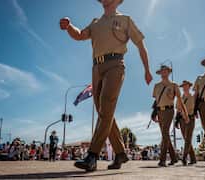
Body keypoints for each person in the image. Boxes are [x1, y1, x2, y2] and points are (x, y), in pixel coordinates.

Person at [60, 0, 152, 171]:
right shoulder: (96, 23)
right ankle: (120, 153)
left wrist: (147, 69)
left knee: (107, 105)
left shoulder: (125, 19)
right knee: (104, 112)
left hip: (115, 64)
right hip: (96, 68)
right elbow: (80, 35)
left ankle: (92, 156)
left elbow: (140, 44)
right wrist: (69, 26)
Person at [152, 65, 190, 167]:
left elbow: (180, 101)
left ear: (169, 72)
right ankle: (174, 158)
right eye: (162, 71)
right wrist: (153, 113)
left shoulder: (174, 85)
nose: (164, 72)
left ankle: (162, 159)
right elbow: (156, 101)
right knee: (166, 135)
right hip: (160, 111)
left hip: (169, 110)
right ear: (160, 73)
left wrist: (185, 114)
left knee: (165, 133)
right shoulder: (156, 86)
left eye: (166, 71)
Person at [177, 80, 197, 166]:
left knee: (188, 138)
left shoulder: (193, 97)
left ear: (189, 86)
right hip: (182, 119)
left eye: (186, 85)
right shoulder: (179, 98)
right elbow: (178, 110)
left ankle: (184, 157)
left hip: (190, 118)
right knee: (186, 139)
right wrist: (176, 121)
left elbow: (196, 107)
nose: (185, 87)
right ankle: (193, 158)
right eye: (183, 86)